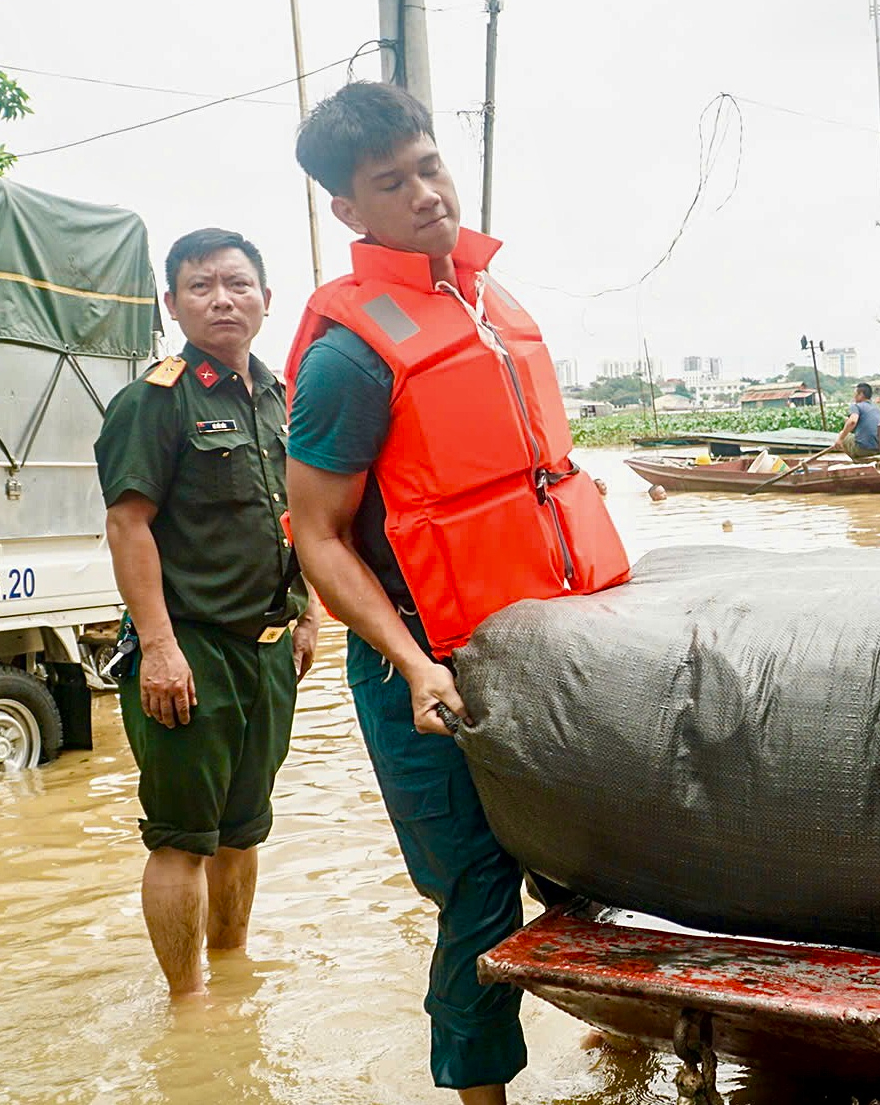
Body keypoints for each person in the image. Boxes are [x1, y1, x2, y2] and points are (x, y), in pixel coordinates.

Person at [282, 81, 629, 1104]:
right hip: (430, 671)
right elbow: (318, 536)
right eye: (392, 182)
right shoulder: (350, 355)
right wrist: (413, 662)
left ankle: (631, 1040)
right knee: (478, 898)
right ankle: (481, 1095)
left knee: (592, 869)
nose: (427, 193)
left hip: (547, 646)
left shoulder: (489, 308)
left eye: (430, 165)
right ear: (348, 212)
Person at [94, 227, 318, 998]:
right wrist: (157, 646)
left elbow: (297, 517)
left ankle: (232, 979)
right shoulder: (152, 401)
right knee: (183, 837)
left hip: (268, 650)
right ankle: (187, 1008)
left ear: (265, 297)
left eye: (236, 283)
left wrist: (308, 615)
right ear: (172, 303)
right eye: (201, 285)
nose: (222, 298)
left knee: (243, 828)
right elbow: (129, 526)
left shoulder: (281, 399)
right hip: (188, 649)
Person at [835, 382, 880, 458]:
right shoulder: (876, 408)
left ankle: (857, 460)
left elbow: (852, 421)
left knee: (843, 434)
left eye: (855, 394)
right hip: (878, 448)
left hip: (863, 448)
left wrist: (840, 439)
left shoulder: (856, 406)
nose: (854, 396)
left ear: (861, 394)